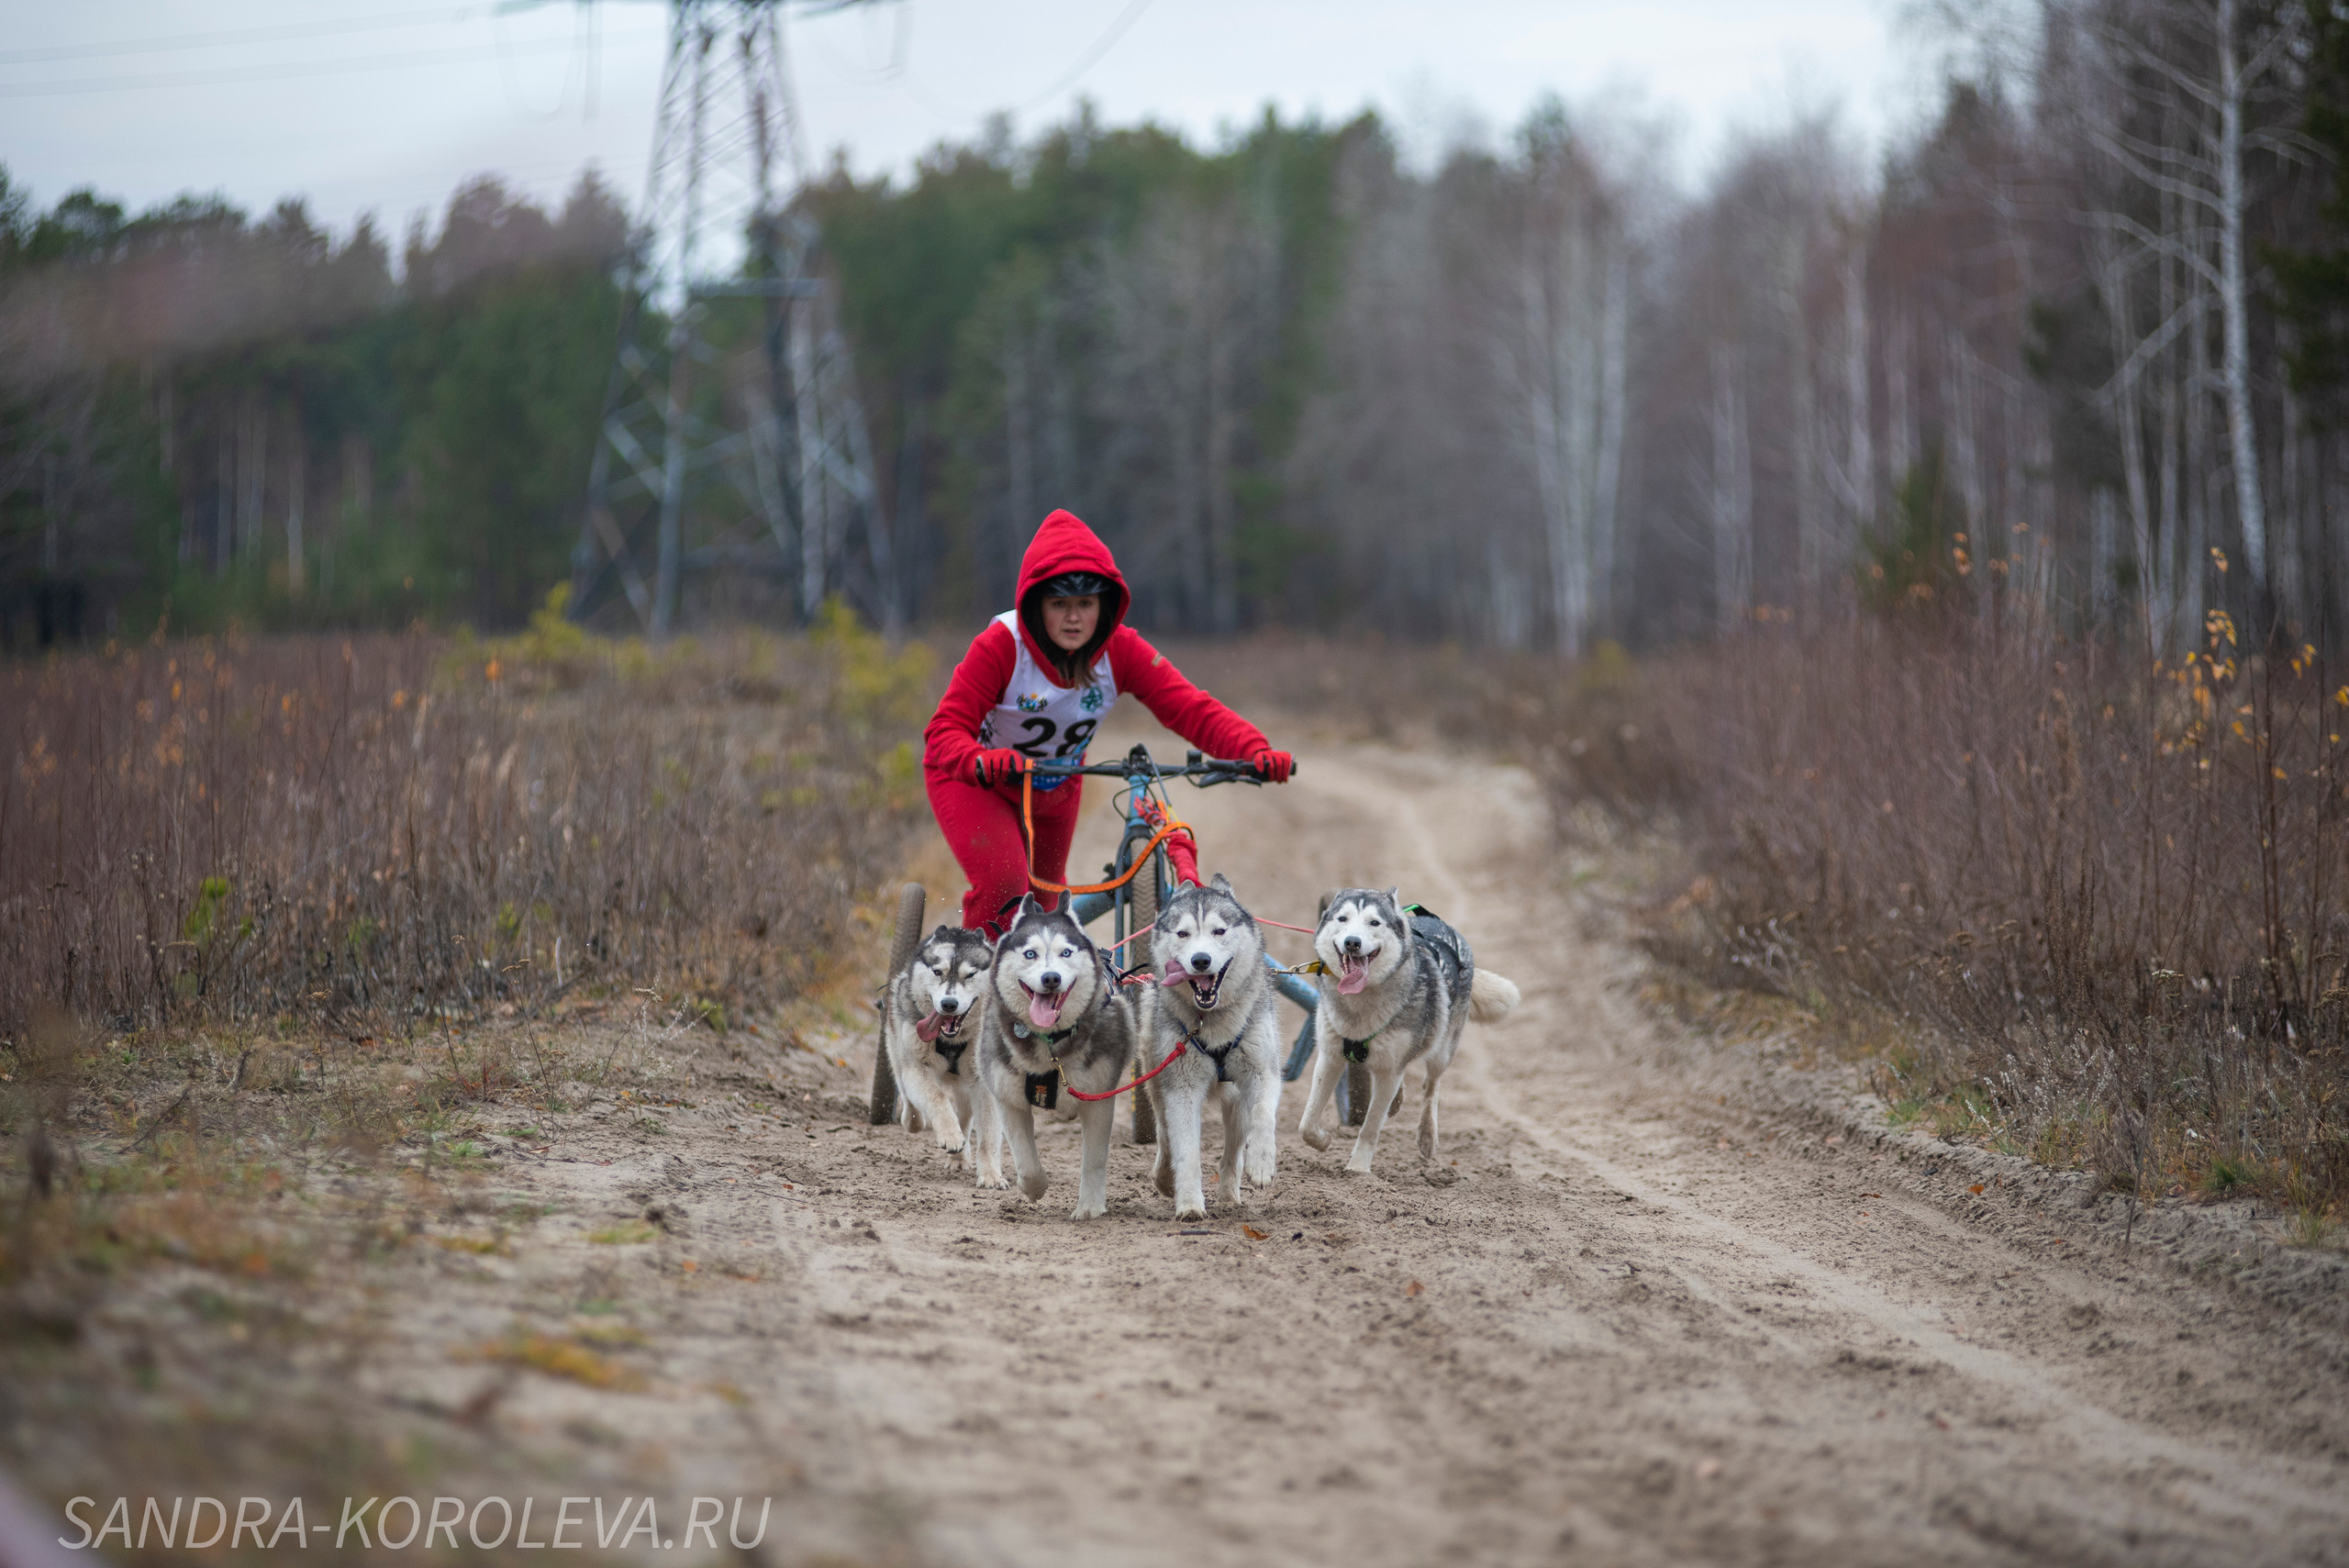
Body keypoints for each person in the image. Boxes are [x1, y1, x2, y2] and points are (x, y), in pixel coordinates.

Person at [923, 508, 1294, 939]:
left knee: (1046, 916)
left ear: (1105, 605)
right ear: (1036, 605)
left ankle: (1034, 1004)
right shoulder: (1001, 646)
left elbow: (1191, 708)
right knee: (1007, 887)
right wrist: (978, 761)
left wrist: (1254, 750)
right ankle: (973, 994)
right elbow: (944, 729)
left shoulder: (1122, 651)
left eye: (1085, 604)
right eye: (1059, 605)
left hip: (1055, 786)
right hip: (977, 781)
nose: (1074, 618)